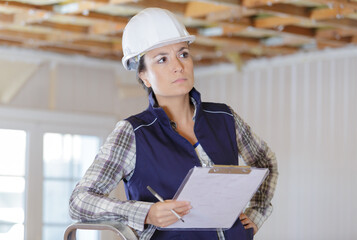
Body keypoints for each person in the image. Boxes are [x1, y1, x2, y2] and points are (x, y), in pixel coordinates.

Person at [69, 7, 278, 240]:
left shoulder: (225, 118)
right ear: (144, 76)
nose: (178, 65)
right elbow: (80, 201)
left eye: (183, 54)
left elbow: (265, 161)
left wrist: (257, 213)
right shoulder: (133, 133)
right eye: (162, 59)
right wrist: (147, 213)